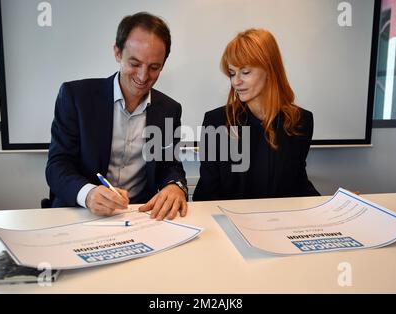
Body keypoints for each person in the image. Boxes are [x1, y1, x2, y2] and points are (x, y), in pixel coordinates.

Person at [46, 12, 188, 220]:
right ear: (117, 53)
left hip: (139, 215)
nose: (143, 76)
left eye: (154, 67)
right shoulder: (76, 97)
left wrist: (175, 186)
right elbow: (57, 165)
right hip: (82, 212)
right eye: (135, 63)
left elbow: (170, 165)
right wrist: (88, 194)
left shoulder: (169, 109)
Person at [193, 28, 319, 201]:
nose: (236, 81)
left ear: (270, 70)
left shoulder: (300, 121)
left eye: (245, 72)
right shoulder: (216, 122)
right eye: (232, 73)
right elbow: (207, 193)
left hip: (280, 223)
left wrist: (333, 205)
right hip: (228, 223)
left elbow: (298, 183)